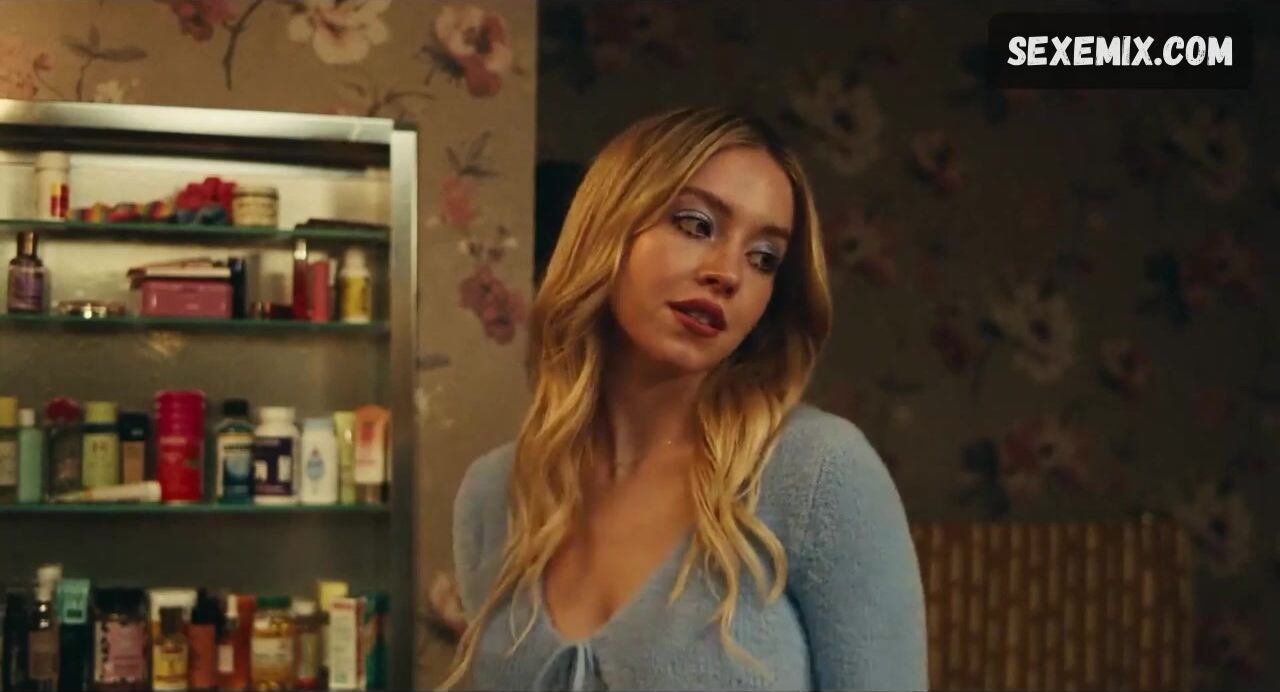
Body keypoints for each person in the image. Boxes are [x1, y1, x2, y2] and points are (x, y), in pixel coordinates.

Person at [445, 106, 927, 691]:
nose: (729, 273)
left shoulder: (817, 474)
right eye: (697, 225)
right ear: (607, 227)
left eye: (764, 258)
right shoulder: (493, 496)